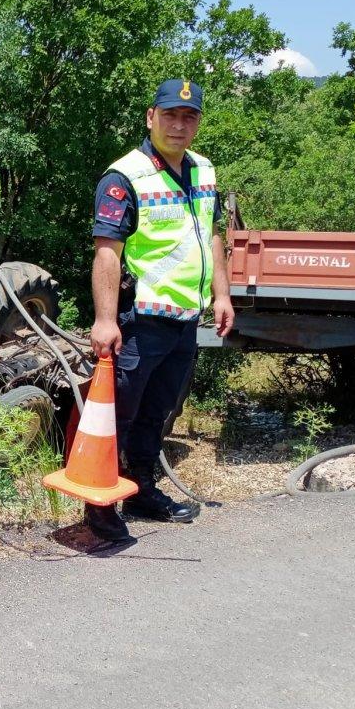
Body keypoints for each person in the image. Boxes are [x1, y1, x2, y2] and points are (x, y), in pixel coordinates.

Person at [83, 79, 236, 543]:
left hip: (185, 319)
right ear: (151, 117)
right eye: (169, 115)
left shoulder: (204, 171)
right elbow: (107, 251)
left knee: (157, 412)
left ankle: (142, 490)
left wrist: (222, 295)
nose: (178, 124)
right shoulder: (124, 177)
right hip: (140, 319)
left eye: (188, 117)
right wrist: (105, 319)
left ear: (198, 123)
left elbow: (212, 236)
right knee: (118, 414)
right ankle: (99, 505)